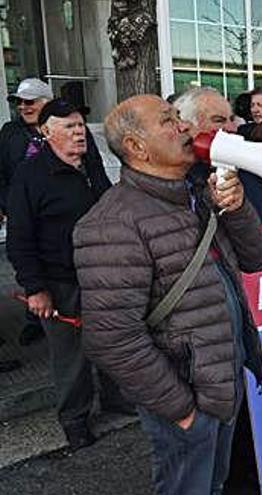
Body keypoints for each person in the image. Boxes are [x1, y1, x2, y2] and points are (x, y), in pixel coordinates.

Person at [74, 94, 262, 495]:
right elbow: (111, 339)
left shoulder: (195, 197)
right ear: (136, 147)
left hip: (219, 385)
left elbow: (256, 258)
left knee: (214, 485)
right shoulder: (111, 224)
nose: (183, 126)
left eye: (179, 117)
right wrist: (182, 410)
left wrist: (238, 206)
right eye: (168, 121)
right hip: (187, 397)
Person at [6, 99, 120, 449]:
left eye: (80, 125)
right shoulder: (30, 175)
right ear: (46, 131)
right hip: (59, 279)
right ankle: (75, 421)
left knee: (112, 343)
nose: (78, 132)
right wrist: (36, 288)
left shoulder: (91, 164)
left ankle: (118, 401)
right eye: (68, 126)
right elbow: (20, 238)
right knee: (71, 357)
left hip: (101, 273)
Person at [1, 78, 53, 347]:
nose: (23, 106)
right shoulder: (10, 132)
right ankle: (35, 319)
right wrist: (4, 204)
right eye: (19, 102)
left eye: (30, 101)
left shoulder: (62, 126)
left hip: (56, 211)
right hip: (22, 212)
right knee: (28, 264)